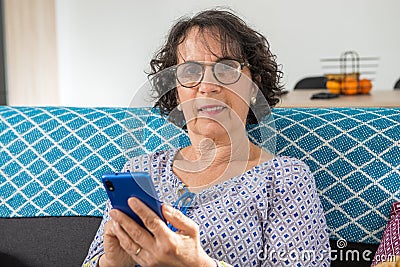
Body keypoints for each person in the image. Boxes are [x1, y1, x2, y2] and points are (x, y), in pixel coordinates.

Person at [83, 9, 330, 267]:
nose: (207, 86)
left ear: (254, 86)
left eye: (226, 68)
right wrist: (110, 264)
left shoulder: (285, 179)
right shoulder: (138, 171)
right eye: (190, 71)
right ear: (176, 90)